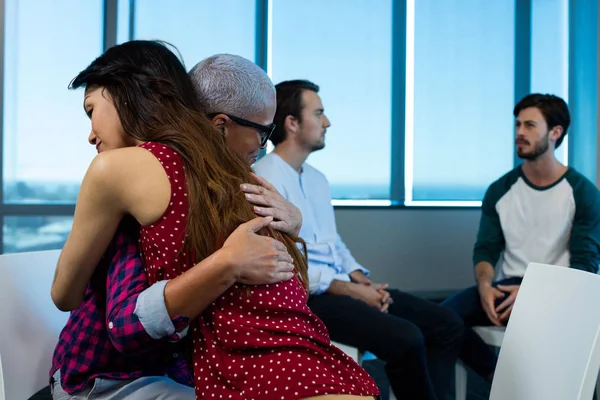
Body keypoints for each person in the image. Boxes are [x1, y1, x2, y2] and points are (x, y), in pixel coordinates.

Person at [51, 41, 379, 400]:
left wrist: (290, 229)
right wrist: (228, 263)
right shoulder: (136, 174)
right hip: (108, 375)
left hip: (177, 369)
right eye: (263, 133)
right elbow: (117, 322)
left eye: (90, 111)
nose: (90, 134)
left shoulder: (209, 180)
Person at [253, 79, 464, 400]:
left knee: (446, 324)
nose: (328, 122)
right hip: (309, 297)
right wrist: (349, 289)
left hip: (343, 285)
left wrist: (361, 280)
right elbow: (287, 266)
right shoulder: (264, 178)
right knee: (407, 339)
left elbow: (333, 243)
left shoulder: (318, 179)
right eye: (319, 113)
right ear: (292, 123)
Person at [441, 93, 600, 381]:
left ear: (555, 132)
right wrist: (485, 285)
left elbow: (585, 266)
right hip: (505, 289)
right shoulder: (500, 190)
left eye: (529, 126)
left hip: (558, 290)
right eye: (517, 125)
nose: (519, 133)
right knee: (439, 320)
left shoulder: (583, 193)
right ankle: (496, 377)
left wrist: (535, 292)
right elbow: (485, 250)